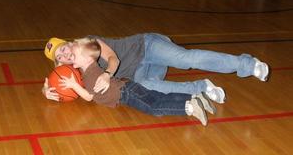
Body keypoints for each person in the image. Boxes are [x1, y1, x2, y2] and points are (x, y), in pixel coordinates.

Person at [43, 33, 269, 102]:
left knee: (185, 58)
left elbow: (112, 58)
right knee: (147, 85)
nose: (63, 54)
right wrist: (47, 92)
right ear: (60, 63)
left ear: (69, 44)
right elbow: (73, 90)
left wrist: (107, 74)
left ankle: (248, 64)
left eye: (62, 48)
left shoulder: (88, 43)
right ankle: (201, 88)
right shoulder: (78, 72)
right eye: (59, 56)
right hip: (141, 71)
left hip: (147, 46)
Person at [57, 38, 224, 126]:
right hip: (127, 88)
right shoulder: (87, 67)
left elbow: (87, 96)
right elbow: (60, 71)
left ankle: (188, 107)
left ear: (86, 59)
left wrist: (73, 85)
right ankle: (197, 98)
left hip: (126, 94)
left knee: (155, 107)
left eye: (73, 56)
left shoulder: (90, 72)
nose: (70, 59)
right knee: (157, 97)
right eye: (60, 58)